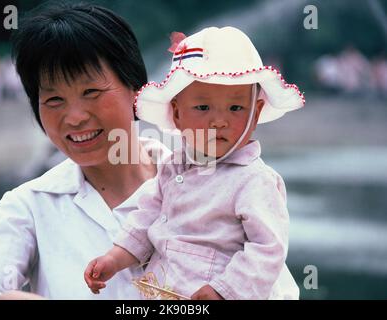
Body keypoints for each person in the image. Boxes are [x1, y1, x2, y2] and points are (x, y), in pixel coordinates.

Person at [0, 2, 169, 300]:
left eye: (91, 92)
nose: (74, 117)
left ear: (136, 87)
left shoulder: (206, 185)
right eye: (54, 99)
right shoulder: (30, 207)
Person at [85, 27, 305, 300]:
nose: (219, 121)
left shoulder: (253, 180)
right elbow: (146, 218)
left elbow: (267, 248)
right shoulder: (173, 165)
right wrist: (115, 259)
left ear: (256, 113)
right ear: (176, 114)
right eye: (203, 108)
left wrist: (225, 291)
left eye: (236, 108)